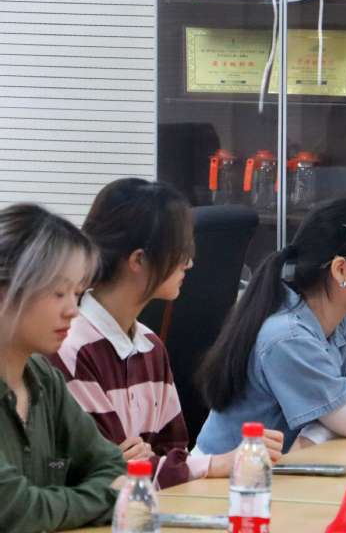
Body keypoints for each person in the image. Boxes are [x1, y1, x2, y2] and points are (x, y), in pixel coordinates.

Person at [49, 179, 283, 490]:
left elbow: (173, 455)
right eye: (180, 251)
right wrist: (217, 463)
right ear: (138, 260)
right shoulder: (71, 348)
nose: (189, 263)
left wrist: (146, 463)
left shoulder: (150, 346)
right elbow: (108, 472)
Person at [195, 198, 346, 455]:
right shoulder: (288, 337)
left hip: (286, 467)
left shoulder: (342, 320)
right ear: (340, 269)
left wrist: (314, 435)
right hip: (228, 475)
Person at [0, 203, 127, 532]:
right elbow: (17, 511)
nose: (73, 310)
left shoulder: (44, 378)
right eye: (59, 293)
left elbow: (113, 466)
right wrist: (108, 497)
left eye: (77, 293)